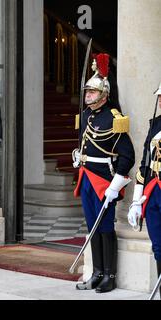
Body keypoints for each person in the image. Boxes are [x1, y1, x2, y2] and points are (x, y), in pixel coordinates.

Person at [72, 53, 135, 292]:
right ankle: (96, 272)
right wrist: (78, 156)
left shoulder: (114, 118)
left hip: (104, 181)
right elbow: (84, 142)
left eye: (92, 92)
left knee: (106, 227)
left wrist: (116, 184)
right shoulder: (87, 114)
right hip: (86, 177)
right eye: (87, 92)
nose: (88, 95)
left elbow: (127, 155)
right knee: (92, 226)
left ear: (104, 95)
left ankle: (110, 275)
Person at [127, 82, 161, 298]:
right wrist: (136, 200)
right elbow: (144, 164)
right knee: (158, 245)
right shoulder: (155, 124)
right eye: (159, 98)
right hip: (153, 190)